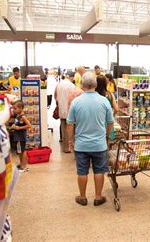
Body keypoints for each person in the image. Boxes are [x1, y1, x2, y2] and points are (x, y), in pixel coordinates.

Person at [67, 72, 113, 207]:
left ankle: (82, 197)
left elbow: (70, 124)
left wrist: (71, 140)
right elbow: (110, 122)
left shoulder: (76, 102)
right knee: (99, 170)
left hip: (81, 144)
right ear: (96, 84)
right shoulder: (104, 101)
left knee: (82, 171)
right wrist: (106, 136)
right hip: (99, 144)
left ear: (82, 85)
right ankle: (98, 197)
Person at [55, 72, 76, 153]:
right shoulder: (71, 85)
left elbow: (55, 96)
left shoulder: (59, 84)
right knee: (70, 129)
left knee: (63, 129)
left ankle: (65, 147)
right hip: (69, 109)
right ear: (71, 77)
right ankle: (69, 147)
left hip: (61, 109)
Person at [11, 100, 32, 173]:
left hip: (21, 137)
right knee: (20, 151)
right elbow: (17, 124)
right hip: (17, 136)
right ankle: (21, 164)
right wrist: (14, 126)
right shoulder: (18, 116)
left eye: (15, 108)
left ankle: (24, 166)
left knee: (23, 151)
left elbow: (29, 125)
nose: (14, 110)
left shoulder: (23, 117)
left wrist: (19, 128)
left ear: (20, 108)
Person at [96, 75, 118, 141]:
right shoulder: (110, 94)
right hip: (108, 121)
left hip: (96, 121)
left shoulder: (93, 95)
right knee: (107, 142)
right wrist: (113, 116)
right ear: (106, 83)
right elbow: (116, 109)